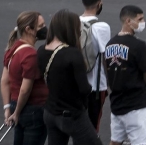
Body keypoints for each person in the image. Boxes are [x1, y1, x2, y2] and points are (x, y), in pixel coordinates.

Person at [37, 9, 101, 145]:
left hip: (50, 112)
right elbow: (84, 89)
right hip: (72, 114)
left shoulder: (41, 50)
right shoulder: (72, 54)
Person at [105, 5, 146, 145]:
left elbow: (107, 72)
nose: (143, 22)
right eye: (140, 19)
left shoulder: (109, 44)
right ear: (128, 21)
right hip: (137, 107)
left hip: (117, 104)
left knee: (115, 141)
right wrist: (141, 91)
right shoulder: (138, 45)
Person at [1, 11, 48, 145]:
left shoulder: (12, 49)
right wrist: (16, 113)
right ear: (28, 29)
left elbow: (5, 81)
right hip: (33, 109)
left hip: (17, 104)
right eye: (41, 26)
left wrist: (7, 108)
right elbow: (25, 90)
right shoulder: (31, 55)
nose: (45, 28)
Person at [79, 0, 111, 131]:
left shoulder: (73, 23)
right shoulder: (101, 27)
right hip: (96, 86)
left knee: (79, 127)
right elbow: (106, 58)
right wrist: (111, 83)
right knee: (93, 128)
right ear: (99, 4)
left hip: (77, 83)